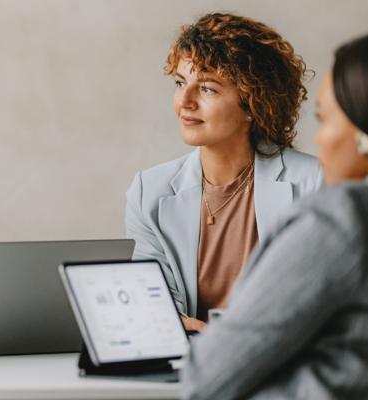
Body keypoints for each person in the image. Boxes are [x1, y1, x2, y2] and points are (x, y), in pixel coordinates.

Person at [182, 29, 368, 399]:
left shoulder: (341, 220)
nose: (319, 139)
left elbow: (206, 379)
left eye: (325, 119)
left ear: (365, 135)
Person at [125, 13, 322, 332]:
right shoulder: (149, 190)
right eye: (179, 83)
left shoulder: (315, 184)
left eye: (207, 89)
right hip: (192, 365)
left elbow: (319, 301)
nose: (184, 102)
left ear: (253, 103)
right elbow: (155, 306)